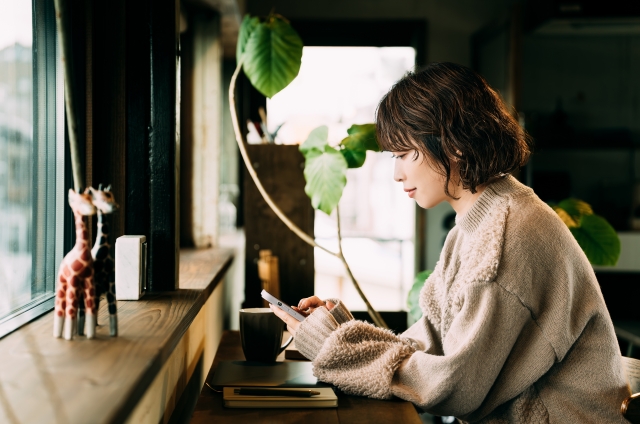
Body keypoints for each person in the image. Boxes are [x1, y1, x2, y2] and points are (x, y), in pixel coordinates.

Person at [270, 62, 630, 423]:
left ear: (452, 143)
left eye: (403, 154)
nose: (397, 174)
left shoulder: (505, 238)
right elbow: (430, 343)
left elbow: (454, 388)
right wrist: (338, 328)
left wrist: (331, 346)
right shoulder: (476, 225)